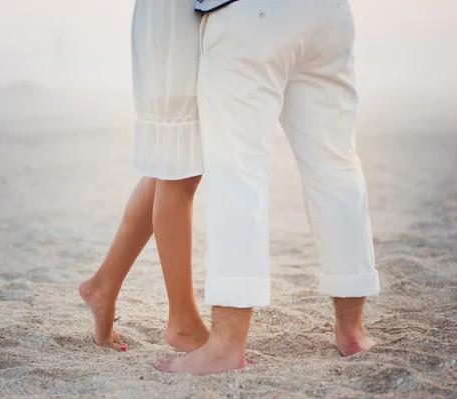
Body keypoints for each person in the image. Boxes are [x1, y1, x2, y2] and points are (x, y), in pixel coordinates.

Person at [157, 0, 380, 375]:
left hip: (248, 14)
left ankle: (226, 346)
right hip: (328, 15)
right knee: (337, 167)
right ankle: (352, 331)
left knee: (237, 173)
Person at [78, 0, 209, 352]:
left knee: (175, 163)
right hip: (175, 20)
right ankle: (182, 320)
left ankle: (104, 284)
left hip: (182, 17)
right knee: (179, 164)